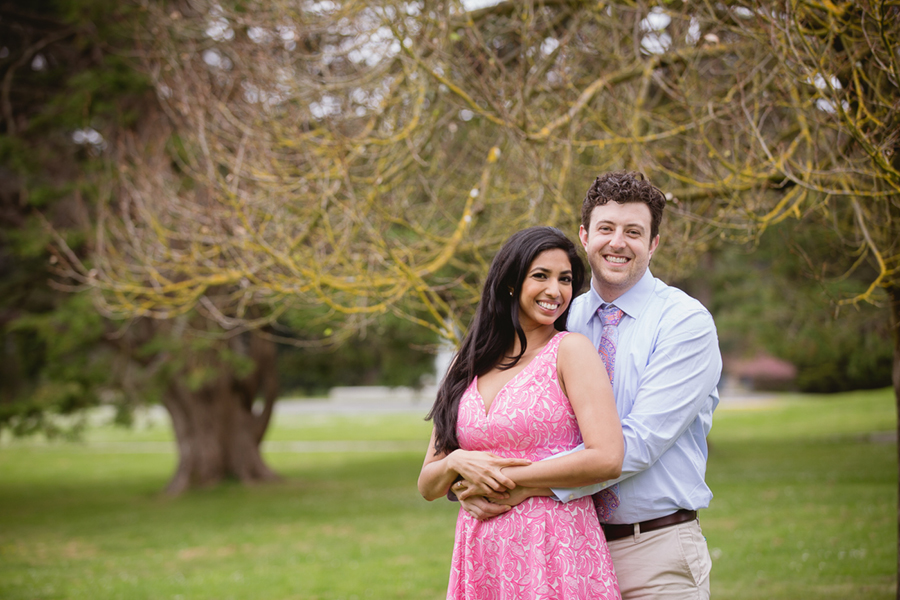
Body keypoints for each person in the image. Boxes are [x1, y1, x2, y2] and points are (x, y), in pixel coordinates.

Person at [456, 172, 722, 600]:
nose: (618, 242)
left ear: (653, 243)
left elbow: (633, 444)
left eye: (634, 232)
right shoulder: (560, 317)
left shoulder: (684, 323)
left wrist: (507, 484)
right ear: (584, 235)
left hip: (653, 550)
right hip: (567, 548)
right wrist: (469, 474)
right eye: (606, 229)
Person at [417, 226, 625, 600]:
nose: (555, 291)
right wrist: (459, 463)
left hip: (554, 548)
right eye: (540, 276)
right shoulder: (465, 367)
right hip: (481, 553)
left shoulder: (570, 352)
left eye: (565, 280)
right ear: (511, 283)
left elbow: (607, 457)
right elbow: (428, 484)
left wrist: (504, 480)